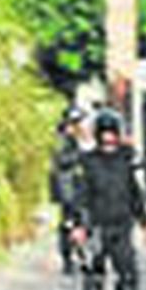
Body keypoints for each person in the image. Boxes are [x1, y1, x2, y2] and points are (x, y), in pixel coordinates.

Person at [73, 109, 146, 290]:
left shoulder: (127, 159)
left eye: (112, 133)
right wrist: (78, 226)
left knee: (128, 277)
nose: (108, 138)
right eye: (104, 133)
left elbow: (135, 192)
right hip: (95, 227)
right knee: (94, 278)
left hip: (122, 226)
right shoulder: (87, 162)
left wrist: (145, 222)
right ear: (98, 134)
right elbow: (80, 196)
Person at [49, 106, 88, 275]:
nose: (81, 127)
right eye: (78, 123)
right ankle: (69, 259)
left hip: (72, 188)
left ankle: (76, 256)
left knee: (75, 222)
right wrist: (81, 156)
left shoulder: (71, 139)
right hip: (67, 189)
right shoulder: (63, 140)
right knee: (69, 223)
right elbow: (61, 161)